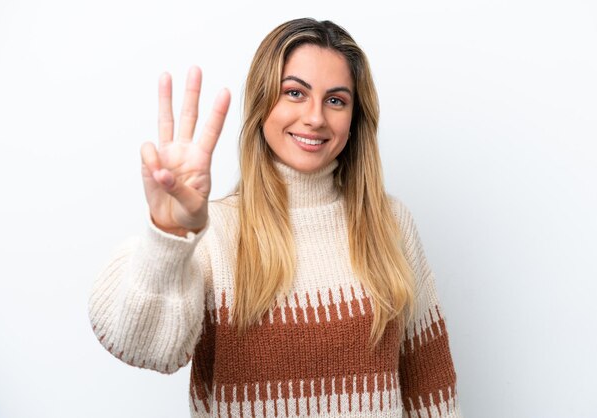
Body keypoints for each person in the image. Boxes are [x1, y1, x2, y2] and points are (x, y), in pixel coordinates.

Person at [88, 18, 462, 418]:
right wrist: (168, 233)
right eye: (295, 93)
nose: (315, 117)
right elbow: (138, 343)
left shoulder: (391, 224)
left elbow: (430, 387)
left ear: (354, 119)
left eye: (336, 100)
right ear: (263, 101)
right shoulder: (214, 233)